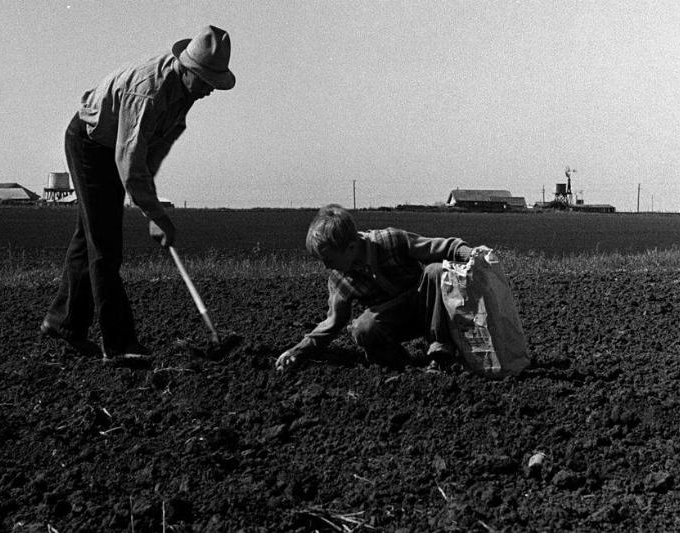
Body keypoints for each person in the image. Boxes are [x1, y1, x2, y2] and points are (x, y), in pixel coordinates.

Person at [41, 25, 235, 365]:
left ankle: (64, 323)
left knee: (88, 236)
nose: (208, 91)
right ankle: (118, 344)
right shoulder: (149, 91)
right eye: (205, 81)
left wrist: (152, 210)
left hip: (115, 147)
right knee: (105, 245)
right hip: (91, 144)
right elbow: (129, 160)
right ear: (187, 69)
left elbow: (152, 151)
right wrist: (154, 214)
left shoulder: (183, 95)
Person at [275, 204, 474, 372]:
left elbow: (439, 247)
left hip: (427, 310)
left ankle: (441, 354)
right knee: (362, 328)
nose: (327, 266)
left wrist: (472, 254)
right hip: (393, 322)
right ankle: (404, 366)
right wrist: (298, 350)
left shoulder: (390, 241)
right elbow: (332, 323)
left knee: (435, 271)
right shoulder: (339, 280)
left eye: (329, 259)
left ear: (351, 248)